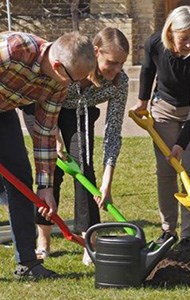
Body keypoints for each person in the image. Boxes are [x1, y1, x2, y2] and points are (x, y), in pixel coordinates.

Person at [22, 27, 129, 265]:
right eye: (111, 62)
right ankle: (43, 240)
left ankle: (88, 243)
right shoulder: (73, 66)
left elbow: (113, 131)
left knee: (84, 169)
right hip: (40, 106)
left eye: (122, 63)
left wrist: (106, 183)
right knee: (50, 172)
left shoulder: (119, 82)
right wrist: (54, 139)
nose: (117, 70)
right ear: (95, 52)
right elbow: (45, 97)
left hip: (78, 112)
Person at [0, 31, 96, 280]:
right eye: (72, 80)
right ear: (56, 65)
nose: (72, 87)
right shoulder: (12, 50)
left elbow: (44, 134)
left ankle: (27, 264)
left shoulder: (57, 83)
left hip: (3, 109)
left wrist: (45, 187)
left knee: (21, 183)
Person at [131, 5, 190, 246]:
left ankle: (189, 235)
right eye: (184, 38)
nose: (189, 44)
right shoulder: (155, 43)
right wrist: (143, 102)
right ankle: (168, 230)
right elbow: (147, 70)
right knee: (166, 170)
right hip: (164, 109)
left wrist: (181, 144)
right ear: (170, 33)